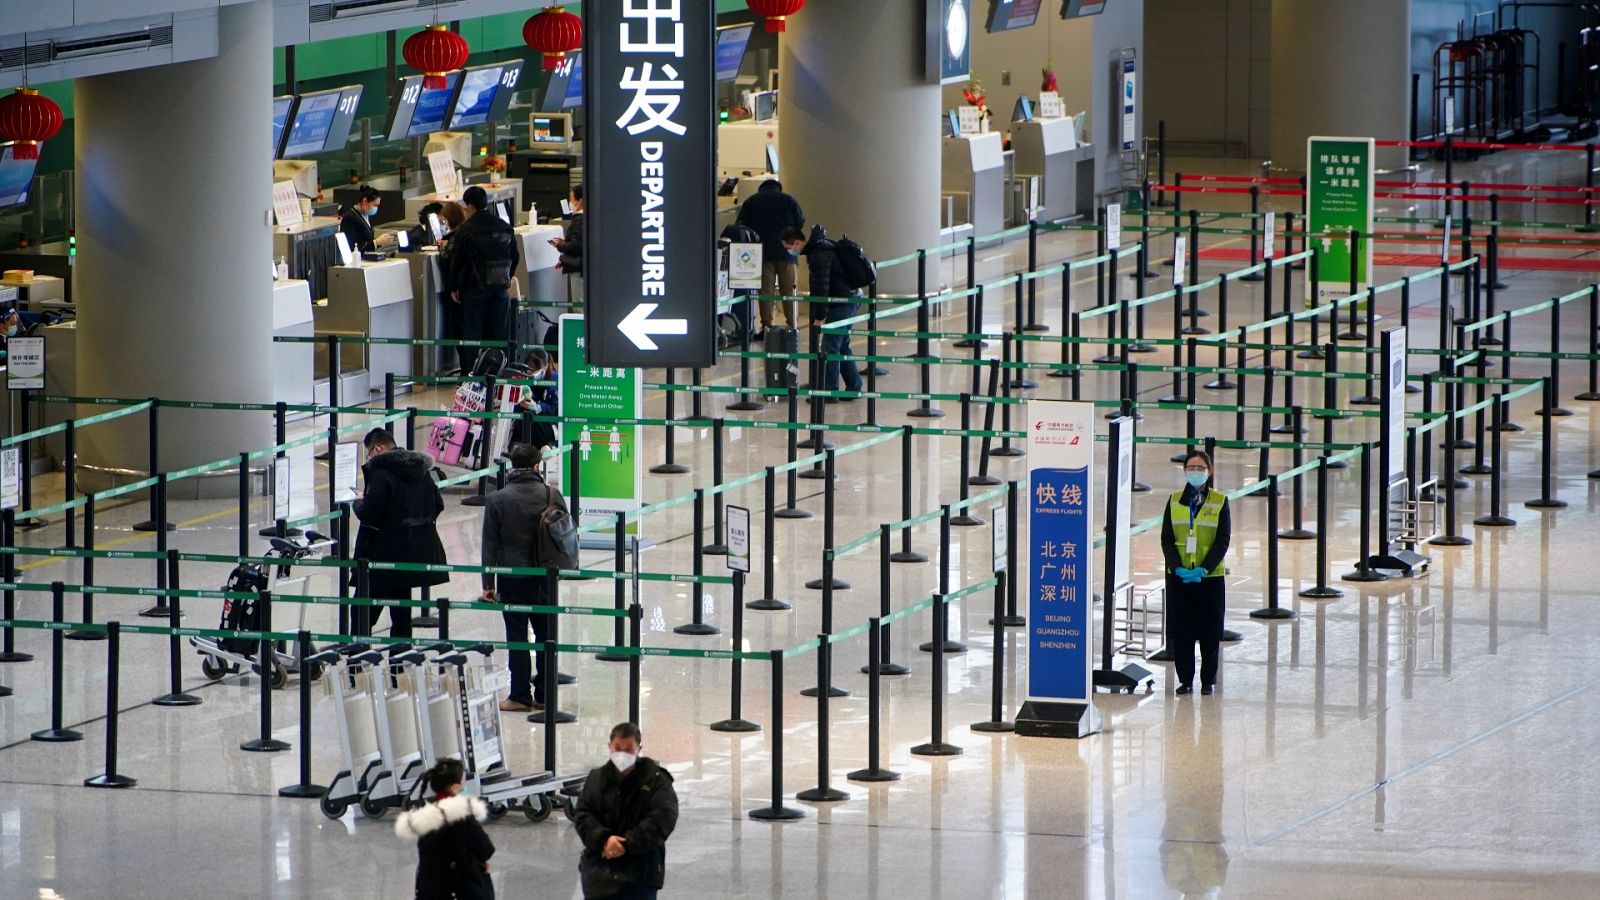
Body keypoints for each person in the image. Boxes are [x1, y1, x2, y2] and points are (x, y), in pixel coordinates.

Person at [480, 442, 565, 713]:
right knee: (545, 637)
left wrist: (488, 585)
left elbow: (489, 545)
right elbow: (566, 534)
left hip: (512, 577)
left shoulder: (498, 499)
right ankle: (544, 695)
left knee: (517, 637)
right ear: (536, 466)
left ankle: (519, 695)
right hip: (545, 577)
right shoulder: (552, 494)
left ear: (512, 466)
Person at [352, 428, 450, 638]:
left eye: (370, 453)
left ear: (377, 449)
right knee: (401, 614)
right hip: (411, 554)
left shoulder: (381, 473)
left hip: (382, 555)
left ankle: (355, 663)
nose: (370, 457)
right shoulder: (420, 470)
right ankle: (400, 663)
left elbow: (370, 513)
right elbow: (438, 504)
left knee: (362, 612)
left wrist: (358, 502)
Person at [573, 723, 679, 900]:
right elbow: (583, 815)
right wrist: (604, 840)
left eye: (629, 749)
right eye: (617, 748)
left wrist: (626, 843)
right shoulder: (596, 779)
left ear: (639, 749)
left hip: (640, 873)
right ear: (609, 747)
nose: (622, 754)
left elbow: (662, 818)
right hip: (599, 872)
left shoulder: (657, 781)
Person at [1160, 449, 1232, 696]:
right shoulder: (1173, 501)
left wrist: (1205, 567)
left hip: (1209, 578)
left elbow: (1222, 541)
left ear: (1209, 472)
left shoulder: (1220, 501)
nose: (1195, 472)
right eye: (1191, 468)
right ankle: (1186, 680)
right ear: (1184, 471)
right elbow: (1167, 540)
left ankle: (1208, 680)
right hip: (1179, 578)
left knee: (1210, 631)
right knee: (1182, 631)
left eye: (1200, 469)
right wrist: (1175, 566)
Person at [394, 758, 495, 900]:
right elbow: (486, 849)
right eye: (462, 784)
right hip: (462, 889)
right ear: (455, 788)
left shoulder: (424, 815)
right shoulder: (461, 815)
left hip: (430, 889)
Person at [446, 185, 520, 377]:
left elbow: (457, 260)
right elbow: (515, 256)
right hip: (500, 288)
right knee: (499, 332)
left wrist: (454, 287)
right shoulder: (504, 226)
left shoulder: (465, 230)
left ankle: (474, 375)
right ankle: (500, 372)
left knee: (473, 333)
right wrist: (508, 276)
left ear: (470, 206)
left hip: (474, 289)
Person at [782, 224, 861, 398]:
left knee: (830, 347)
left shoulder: (818, 255)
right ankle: (854, 387)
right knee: (842, 344)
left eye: (788, 248)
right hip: (850, 297)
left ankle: (829, 391)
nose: (789, 252)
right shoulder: (821, 246)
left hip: (842, 301)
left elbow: (822, 288)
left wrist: (819, 316)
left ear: (796, 243)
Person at [735, 179, 805, 337]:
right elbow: (800, 222)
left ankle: (766, 326)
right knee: (788, 290)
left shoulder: (751, 201)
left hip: (762, 253)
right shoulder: (788, 200)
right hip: (787, 252)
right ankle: (792, 326)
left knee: (766, 291)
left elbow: (741, 226)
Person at [512, 349, 559, 450]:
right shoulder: (526, 378)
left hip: (549, 428)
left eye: (536, 371)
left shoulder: (556, 381)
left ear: (545, 367)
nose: (533, 375)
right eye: (530, 371)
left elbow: (557, 410)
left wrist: (538, 407)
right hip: (526, 425)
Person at [338, 185, 394, 254]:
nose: (376, 208)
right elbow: (351, 246)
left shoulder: (366, 215)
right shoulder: (349, 218)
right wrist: (376, 242)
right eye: (375, 205)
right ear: (365, 201)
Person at [550, 185, 585, 277]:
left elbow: (576, 246)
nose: (570, 202)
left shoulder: (579, 220)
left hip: (577, 269)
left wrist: (560, 244)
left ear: (580, 201)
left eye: (571, 199)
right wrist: (564, 241)